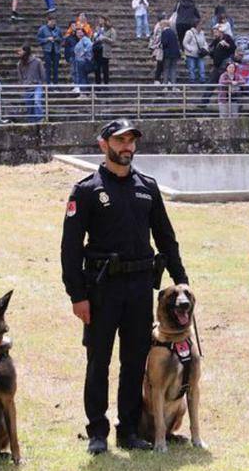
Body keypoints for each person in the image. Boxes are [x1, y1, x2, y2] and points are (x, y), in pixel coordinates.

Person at [61, 119, 189, 454]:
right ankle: (97, 432)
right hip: (102, 289)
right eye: (120, 140)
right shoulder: (86, 190)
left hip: (138, 287)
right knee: (98, 362)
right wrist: (77, 295)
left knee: (134, 363)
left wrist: (181, 278)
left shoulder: (147, 186)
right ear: (103, 145)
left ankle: (128, 430)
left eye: (131, 140)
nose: (127, 146)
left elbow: (166, 238)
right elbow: (70, 248)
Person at [17, 44, 44, 122]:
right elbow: (20, 76)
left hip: (37, 85)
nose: (19, 53)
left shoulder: (37, 61)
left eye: (20, 51)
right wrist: (21, 84)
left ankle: (40, 118)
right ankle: (31, 120)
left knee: (37, 101)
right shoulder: (19, 64)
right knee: (29, 104)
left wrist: (43, 83)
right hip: (26, 86)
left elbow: (42, 73)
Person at [37, 16, 62, 85]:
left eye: (54, 21)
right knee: (48, 67)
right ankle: (47, 83)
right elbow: (38, 39)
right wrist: (47, 39)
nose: (53, 23)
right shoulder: (42, 29)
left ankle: (55, 83)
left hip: (56, 50)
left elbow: (61, 39)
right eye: (51, 21)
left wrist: (57, 39)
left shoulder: (58, 29)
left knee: (56, 68)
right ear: (48, 21)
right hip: (47, 50)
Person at [182, 20, 208, 85]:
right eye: (200, 25)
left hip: (200, 53)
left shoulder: (202, 32)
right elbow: (185, 42)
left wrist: (205, 48)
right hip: (191, 54)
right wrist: (190, 49)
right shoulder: (189, 32)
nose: (201, 26)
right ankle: (192, 80)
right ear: (196, 25)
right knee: (191, 67)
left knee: (201, 66)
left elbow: (204, 42)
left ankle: (202, 79)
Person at [93, 16, 115, 85]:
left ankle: (106, 83)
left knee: (105, 68)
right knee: (97, 68)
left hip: (105, 51)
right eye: (99, 20)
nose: (100, 21)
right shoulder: (97, 29)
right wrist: (94, 36)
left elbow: (113, 40)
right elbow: (93, 38)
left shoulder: (111, 30)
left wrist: (104, 38)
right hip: (97, 50)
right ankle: (98, 83)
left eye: (101, 20)